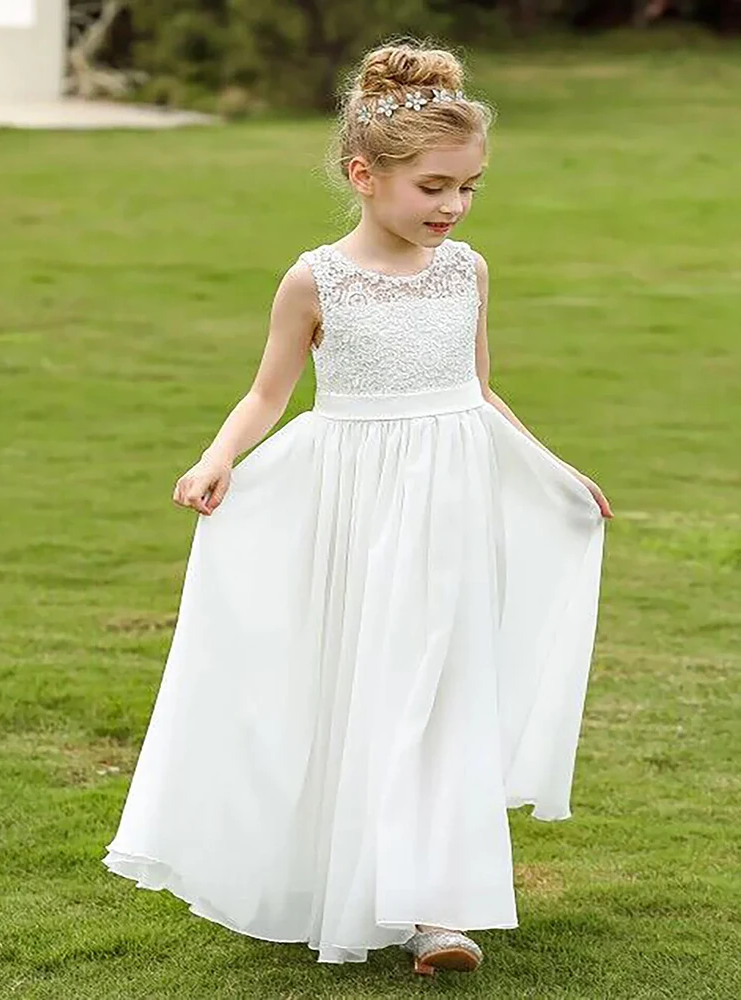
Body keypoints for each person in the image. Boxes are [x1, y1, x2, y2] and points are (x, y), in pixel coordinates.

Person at [102, 38, 612, 976]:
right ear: (364, 174)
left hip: (452, 509)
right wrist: (217, 459)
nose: (453, 208)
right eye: (434, 187)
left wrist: (554, 471)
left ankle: (437, 909)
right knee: (366, 684)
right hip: (357, 511)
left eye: (469, 188)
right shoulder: (316, 280)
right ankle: (347, 878)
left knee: (441, 687)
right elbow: (268, 394)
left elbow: (478, 391)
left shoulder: (468, 272)